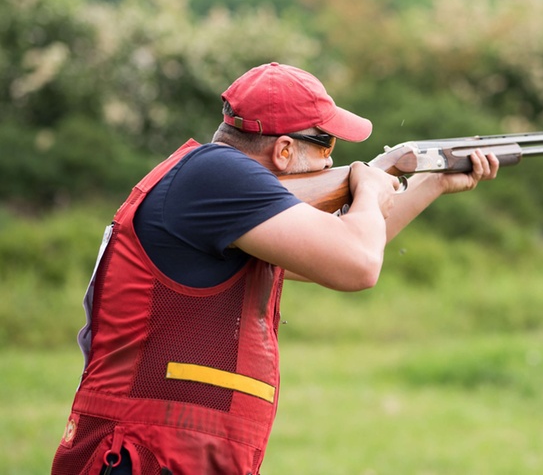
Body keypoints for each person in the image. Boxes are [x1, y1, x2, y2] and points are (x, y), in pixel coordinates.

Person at [51, 62, 498, 475]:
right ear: (284, 150)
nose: (331, 162)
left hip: (173, 452)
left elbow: (333, 254)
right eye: (328, 145)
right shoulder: (218, 173)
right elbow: (358, 265)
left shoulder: (220, 188)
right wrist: (366, 187)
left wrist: (431, 182)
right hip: (144, 454)